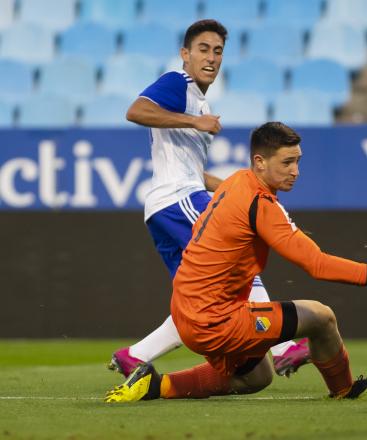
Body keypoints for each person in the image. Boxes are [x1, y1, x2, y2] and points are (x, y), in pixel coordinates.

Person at [104, 122, 367, 403]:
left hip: (187, 310)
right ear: (260, 162)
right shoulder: (260, 203)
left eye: (298, 161)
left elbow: (261, 227)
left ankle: (154, 385)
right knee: (321, 317)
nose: (295, 171)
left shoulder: (237, 181)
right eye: (287, 162)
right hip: (214, 319)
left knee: (258, 376)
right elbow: (316, 265)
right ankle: (343, 390)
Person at [108, 19, 310, 380]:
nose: (212, 58)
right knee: (240, 259)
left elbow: (193, 170)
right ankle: (283, 347)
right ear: (185, 54)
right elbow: (135, 111)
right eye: (203, 49)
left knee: (197, 299)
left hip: (170, 203)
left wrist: (230, 186)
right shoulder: (178, 83)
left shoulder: (199, 102)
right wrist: (192, 122)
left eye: (218, 51)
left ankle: (135, 355)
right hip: (178, 199)